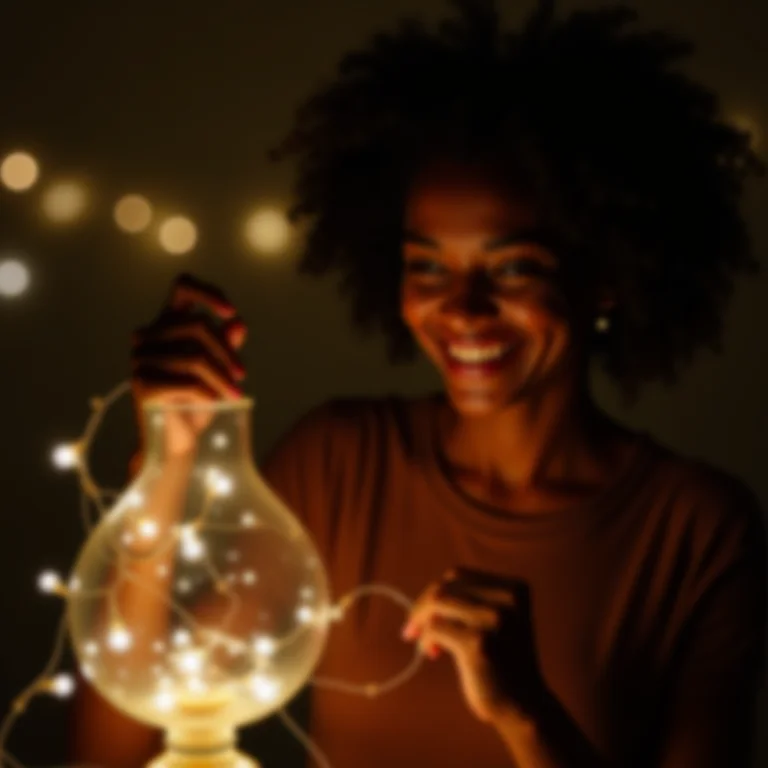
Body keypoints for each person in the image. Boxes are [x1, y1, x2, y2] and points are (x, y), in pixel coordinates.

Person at [73, 1, 767, 766]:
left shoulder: (701, 531)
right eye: (427, 266)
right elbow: (114, 756)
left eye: (513, 268)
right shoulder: (337, 465)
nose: (462, 310)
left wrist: (527, 714)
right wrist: (167, 471)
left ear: (604, 278)